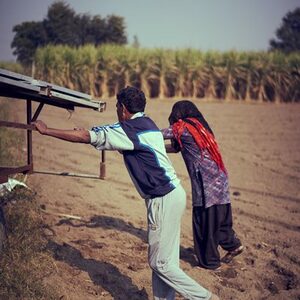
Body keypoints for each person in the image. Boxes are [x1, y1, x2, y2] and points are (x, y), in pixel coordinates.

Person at [34, 87, 219, 300]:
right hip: (174, 194)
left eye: (116, 106)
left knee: (159, 263)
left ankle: (206, 298)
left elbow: (86, 136)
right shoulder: (147, 124)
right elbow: (132, 146)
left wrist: (46, 130)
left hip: (162, 199)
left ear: (122, 108)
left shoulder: (127, 128)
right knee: (166, 262)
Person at [161, 100, 243, 271]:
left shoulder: (182, 128)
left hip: (207, 184)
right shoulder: (200, 128)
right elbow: (176, 148)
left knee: (205, 221)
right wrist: (154, 147)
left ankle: (210, 262)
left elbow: (157, 135)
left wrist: (140, 139)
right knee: (220, 218)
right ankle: (233, 245)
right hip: (220, 179)